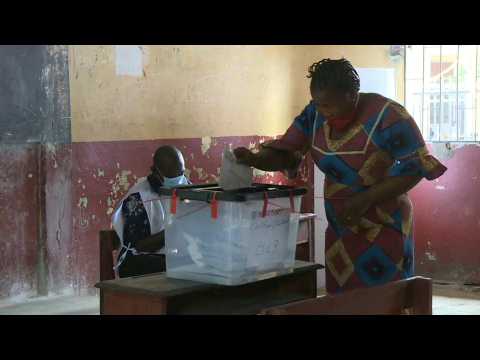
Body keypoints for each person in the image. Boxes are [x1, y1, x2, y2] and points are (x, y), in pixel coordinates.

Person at [234, 58, 447, 294]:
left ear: (352, 95)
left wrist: (366, 199)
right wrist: (254, 160)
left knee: (384, 298)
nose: (323, 112)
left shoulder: (389, 115)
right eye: (319, 104)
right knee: (343, 299)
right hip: (341, 229)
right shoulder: (314, 114)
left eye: (329, 106)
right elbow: (287, 153)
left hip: (385, 225)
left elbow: (416, 168)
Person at [112, 145, 190, 278]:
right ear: (155, 171)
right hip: (138, 260)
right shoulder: (138, 198)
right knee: (180, 266)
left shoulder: (185, 189)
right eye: (172, 176)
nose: (179, 180)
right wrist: (173, 232)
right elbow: (139, 246)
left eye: (180, 173)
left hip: (171, 254)